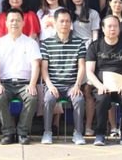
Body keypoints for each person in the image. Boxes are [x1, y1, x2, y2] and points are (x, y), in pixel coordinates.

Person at [0, 9, 42, 145]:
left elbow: (36, 65)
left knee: (32, 98)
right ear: (6, 23)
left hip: (25, 84)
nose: (14, 23)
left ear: (23, 23)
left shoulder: (31, 43)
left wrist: (32, 84)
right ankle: (8, 132)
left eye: (18, 20)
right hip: (5, 83)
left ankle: (22, 133)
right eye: (11, 20)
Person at [86, 15, 122, 146]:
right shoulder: (95, 46)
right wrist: (99, 86)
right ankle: (100, 134)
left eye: (115, 26)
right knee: (102, 99)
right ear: (103, 29)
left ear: (119, 28)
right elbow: (89, 72)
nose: (112, 29)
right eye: (109, 26)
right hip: (102, 86)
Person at [40, 9, 87, 145]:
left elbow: (82, 66)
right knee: (48, 99)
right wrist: (50, 86)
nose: (65, 24)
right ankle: (47, 132)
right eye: (61, 21)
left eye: (67, 21)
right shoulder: (46, 43)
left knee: (79, 99)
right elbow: (44, 69)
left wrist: (77, 85)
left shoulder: (79, 43)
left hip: (72, 85)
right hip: (53, 85)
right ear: (55, 23)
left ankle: (78, 133)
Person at [65, 0, 100, 135]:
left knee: (87, 90)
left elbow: (95, 35)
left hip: (88, 51)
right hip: (72, 53)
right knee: (75, 90)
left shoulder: (93, 13)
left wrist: (93, 53)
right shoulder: (68, 13)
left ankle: (88, 126)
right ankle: (76, 126)